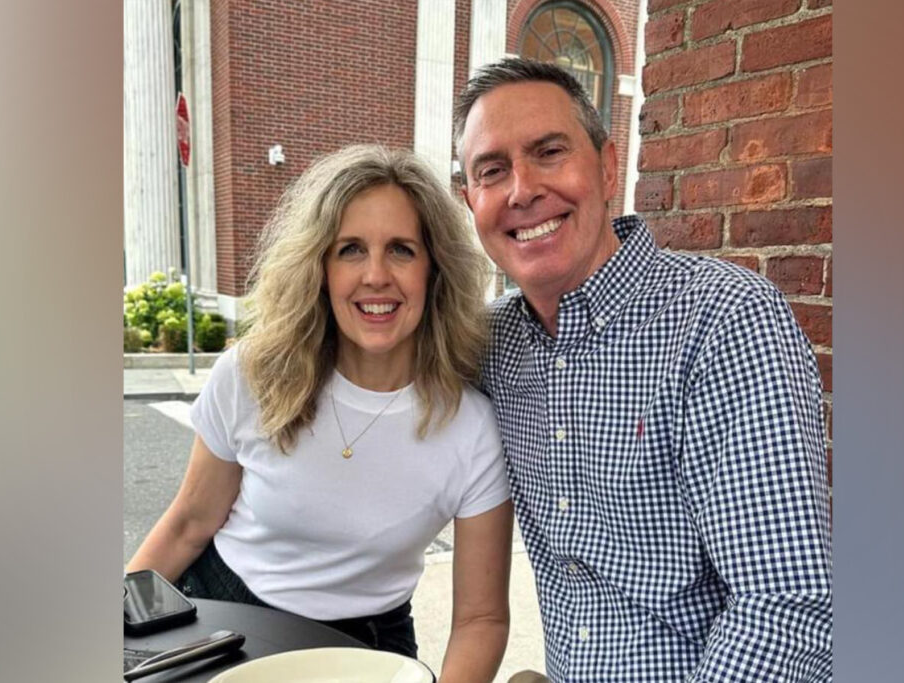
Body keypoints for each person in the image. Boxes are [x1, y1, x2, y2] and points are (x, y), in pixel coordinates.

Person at [454, 58, 833, 682]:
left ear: (606, 168)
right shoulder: (491, 344)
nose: (522, 190)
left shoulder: (723, 321)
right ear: (471, 201)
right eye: (492, 171)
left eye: (549, 152)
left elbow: (789, 608)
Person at [127, 145, 513, 682]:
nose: (375, 275)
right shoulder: (252, 375)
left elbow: (481, 618)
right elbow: (189, 525)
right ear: (320, 267)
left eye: (401, 250)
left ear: (434, 269)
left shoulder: (471, 430)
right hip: (221, 621)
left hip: (366, 648)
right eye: (350, 249)